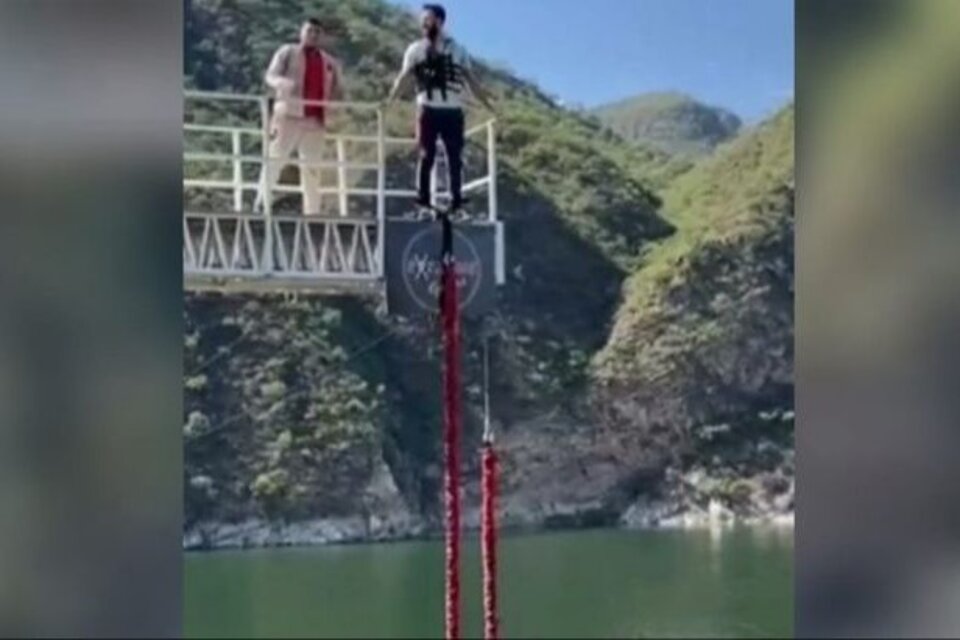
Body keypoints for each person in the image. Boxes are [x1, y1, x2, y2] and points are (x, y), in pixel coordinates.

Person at [384, 3, 496, 217]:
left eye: (429, 19)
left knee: (455, 157)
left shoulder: (458, 50)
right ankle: (423, 203)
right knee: (426, 155)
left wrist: (488, 105)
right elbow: (404, 78)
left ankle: (456, 203)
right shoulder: (415, 50)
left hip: (453, 110)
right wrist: (390, 101)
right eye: (423, 19)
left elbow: (471, 80)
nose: (424, 23)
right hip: (427, 108)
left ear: (440, 21)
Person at [256, 18, 343, 216]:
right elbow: (270, 75)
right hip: (289, 115)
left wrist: (335, 108)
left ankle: (312, 212)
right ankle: (262, 203)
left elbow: (338, 89)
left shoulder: (329, 62)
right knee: (275, 159)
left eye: (317, 32)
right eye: (310, 30)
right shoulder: (287, 52)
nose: (313, 35)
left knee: (312, 169)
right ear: (301, 32)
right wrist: (282, 84)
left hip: (316, 119)